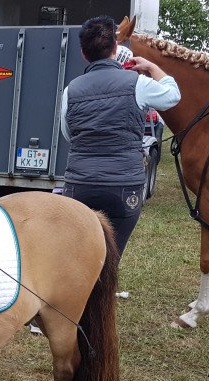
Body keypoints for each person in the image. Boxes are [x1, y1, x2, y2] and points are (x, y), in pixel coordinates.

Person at [61, 16, 181, 257]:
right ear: (116, 48)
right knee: (112, 256)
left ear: (84, 54)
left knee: (83, 257)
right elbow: (173, 96)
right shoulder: (137, 83)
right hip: (123, 188)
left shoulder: (70, 90)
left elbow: (67, 133)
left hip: (79, 186)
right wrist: (152, 68)